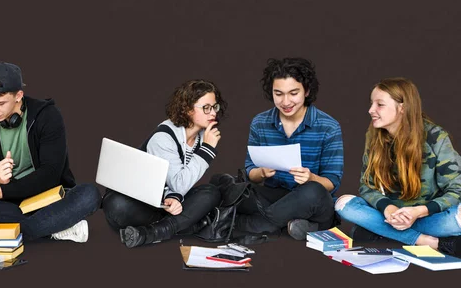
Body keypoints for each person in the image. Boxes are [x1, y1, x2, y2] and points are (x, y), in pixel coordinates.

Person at [0, 62, 100, 243]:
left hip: (49, 198)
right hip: (13, 202)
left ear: (18, 96)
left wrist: (1, 191)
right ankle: (53, 229)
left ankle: (20, 230)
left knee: (89, 194)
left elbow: (51, 174)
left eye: (0, 103)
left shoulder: (47, 116)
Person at [335, 77, 461, 256]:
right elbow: (367, 186)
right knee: (343, 205)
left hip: (431, 216)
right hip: (392, 216)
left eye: (380, 104)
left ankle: (380, 232)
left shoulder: (435, 137)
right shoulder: (373, 136)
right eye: (372, 104)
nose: (371, 110)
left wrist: (418, 212)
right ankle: (426, 241)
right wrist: (390, 210)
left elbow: (456, 189)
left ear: (402, 108)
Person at [102, 79, 224, 248]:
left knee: (211, 192)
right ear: (188, 109)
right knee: (116, 205)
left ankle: (152, 233)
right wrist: (208, 149)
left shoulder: (202, 137)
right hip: (140, 203)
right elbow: (179, 183)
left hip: (164, 206)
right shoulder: (163, 137)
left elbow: (181, 183)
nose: (213, 113)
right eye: (206, 108)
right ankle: (189, 225)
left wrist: (174, 197)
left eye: (214, 107)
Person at [234, 57, 344, 240]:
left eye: (293, 93)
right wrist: (260, 172)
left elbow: (332, 182)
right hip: (277, 197)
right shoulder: (260, 122)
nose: (286, 101)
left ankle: (251, 223)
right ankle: (294, 225)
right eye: (279, 94)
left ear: (306, 91)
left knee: (312, 191)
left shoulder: (328, 126)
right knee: (235, 190)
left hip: (313, 201)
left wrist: (311, 178)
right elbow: (250, 172)